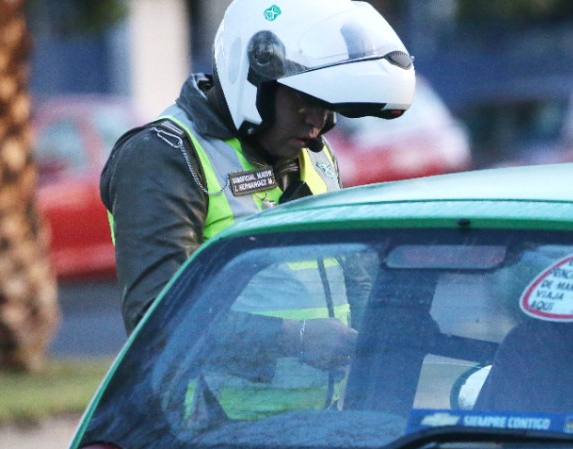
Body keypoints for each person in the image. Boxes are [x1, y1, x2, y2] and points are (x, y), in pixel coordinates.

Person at [101, 0, 415, 355]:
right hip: (206, 394)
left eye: (328, 104)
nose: (319, 121)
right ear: (255, 77)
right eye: (306, 100)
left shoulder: (314, 153)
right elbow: (157, 321)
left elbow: (353, 276)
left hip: (324, 392)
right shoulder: (165, 155)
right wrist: (294, 338)